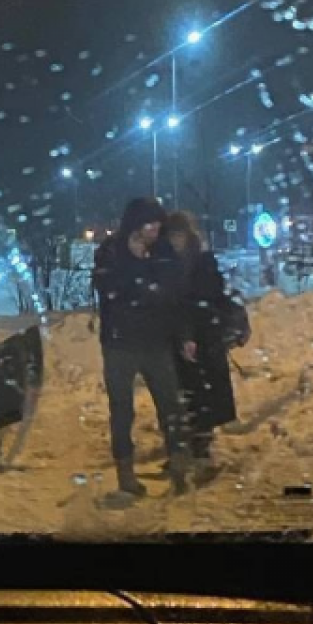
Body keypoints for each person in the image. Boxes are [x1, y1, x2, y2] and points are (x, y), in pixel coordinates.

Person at [93, 198, 196, 497]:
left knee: (171, 406)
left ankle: (179, 466)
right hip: (119, 343)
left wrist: (185, 335)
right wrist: (144, 282)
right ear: (134, 225)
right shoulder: (111, 252)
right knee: (122, 410)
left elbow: (177, 297)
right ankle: (125, 472)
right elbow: (109, 290)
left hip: (156, 341)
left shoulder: (163, 252)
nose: (155, 230)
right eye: (149, 225)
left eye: (158, 225)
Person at [163, 212, 238, 462]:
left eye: (179, 234)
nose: (175, 240)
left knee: (203, 395)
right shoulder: (168, 263)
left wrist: (194, 331)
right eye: (171, 235)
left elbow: (207, 297)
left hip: (203, 337)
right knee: (186, 395)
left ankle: (201, 449)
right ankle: (187, 449)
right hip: (180, 337)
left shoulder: (202, 261)